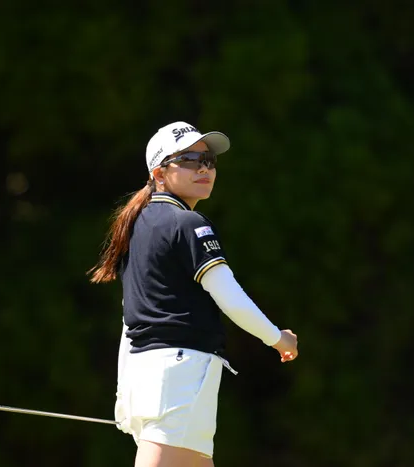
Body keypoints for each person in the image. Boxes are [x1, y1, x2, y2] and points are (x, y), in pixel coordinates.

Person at [88, 121, 299, 467]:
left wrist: (124, 393)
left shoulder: (138, 225)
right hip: (180, 376)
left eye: (208, 160)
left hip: (151, 376)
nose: (204, 169)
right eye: (188, 160)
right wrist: (278, 338)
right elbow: (230, 297)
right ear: (159, 173)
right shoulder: (189, 224)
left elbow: (130, 320)